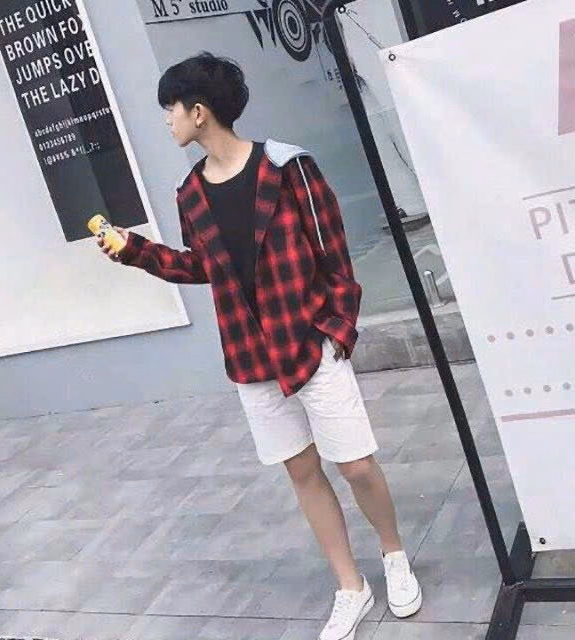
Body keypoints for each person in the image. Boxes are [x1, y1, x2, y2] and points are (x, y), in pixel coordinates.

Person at [98, 51, 422, 639]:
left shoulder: (288, 168)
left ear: (199, 112)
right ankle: (350, 586)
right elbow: (203, 267)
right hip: (251, 360)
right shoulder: (189, 192)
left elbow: (334, 253)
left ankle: (394, 553)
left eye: (171, 109)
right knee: (302, 471)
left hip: (311, 344)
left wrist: (337, 330)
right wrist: (136, 250)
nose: (167, 120)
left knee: (355, 464)